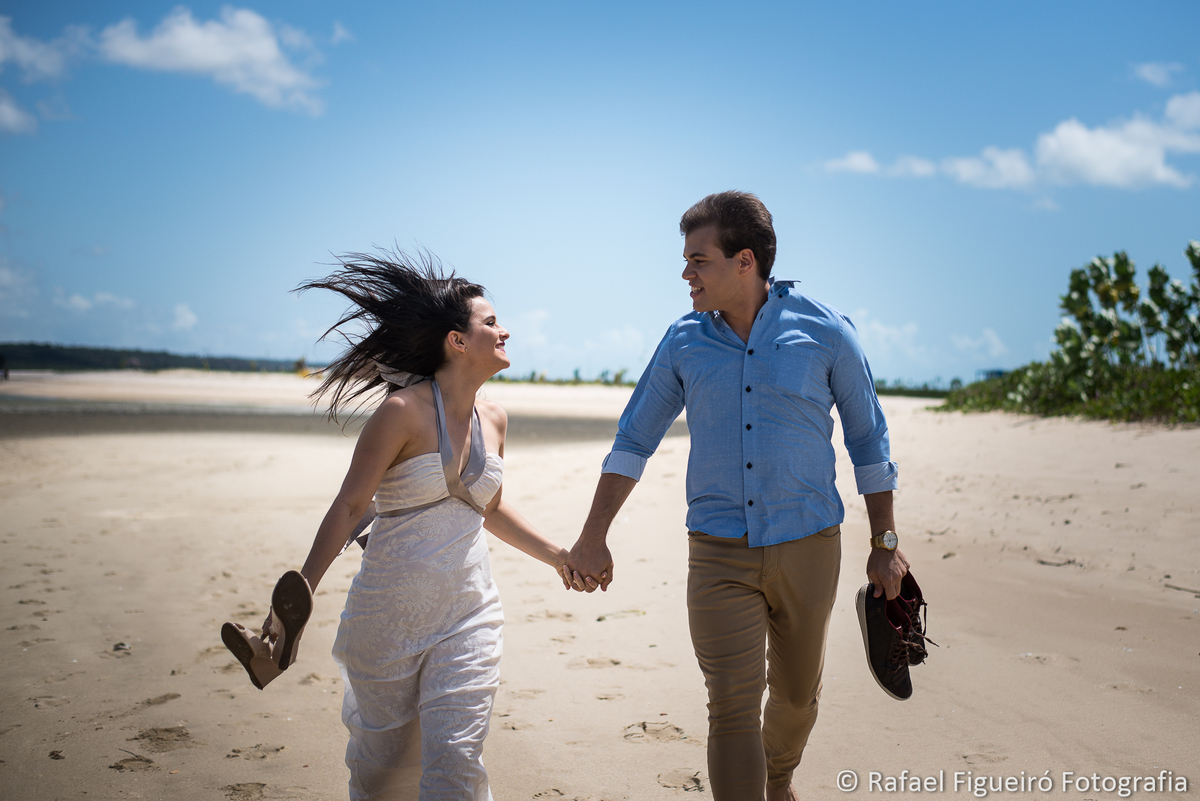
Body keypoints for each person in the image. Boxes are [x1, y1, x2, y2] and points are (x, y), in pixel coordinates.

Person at [565, 192, 911, 801]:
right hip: (719, 550)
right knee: (730, 703)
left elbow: (869, 440)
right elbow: (634, 438)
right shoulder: (683, 341)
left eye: (699, 260)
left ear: (744, 260)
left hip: (809, 543)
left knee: (798, 693)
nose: (686, 273)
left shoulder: (826, 332)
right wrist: (594, 534)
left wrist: (885, 543)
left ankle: (777, 779)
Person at [222, 250, 586, 800]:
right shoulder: (401, 413)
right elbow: (349, 507)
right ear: (456, 341)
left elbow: (489, 508)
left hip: (469, 613)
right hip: (388, 617)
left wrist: (560, 556)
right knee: (383, 772)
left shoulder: (496, 418)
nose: (505, 329)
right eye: (491, 322)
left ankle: (270, 657)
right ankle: (273, 645)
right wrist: (296, 595)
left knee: (458, 761)